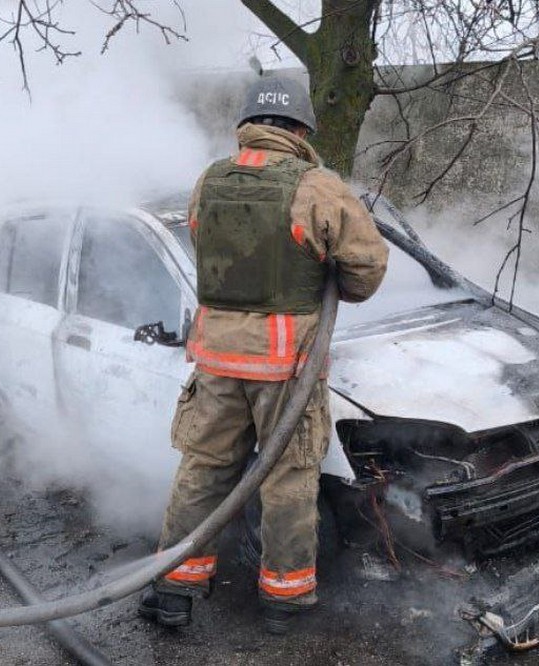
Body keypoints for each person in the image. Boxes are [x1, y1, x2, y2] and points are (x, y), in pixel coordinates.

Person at [139, 74, 389, 635]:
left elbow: (208, 249)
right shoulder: (317, 185)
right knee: (288, 479)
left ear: (247, 125)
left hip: (216, 360)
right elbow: (367, 269)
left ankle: (174, 590)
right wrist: (328, 279)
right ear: (302, 128)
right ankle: (283, 601)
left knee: (202, 471)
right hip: (285, 369)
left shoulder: (209, 180)